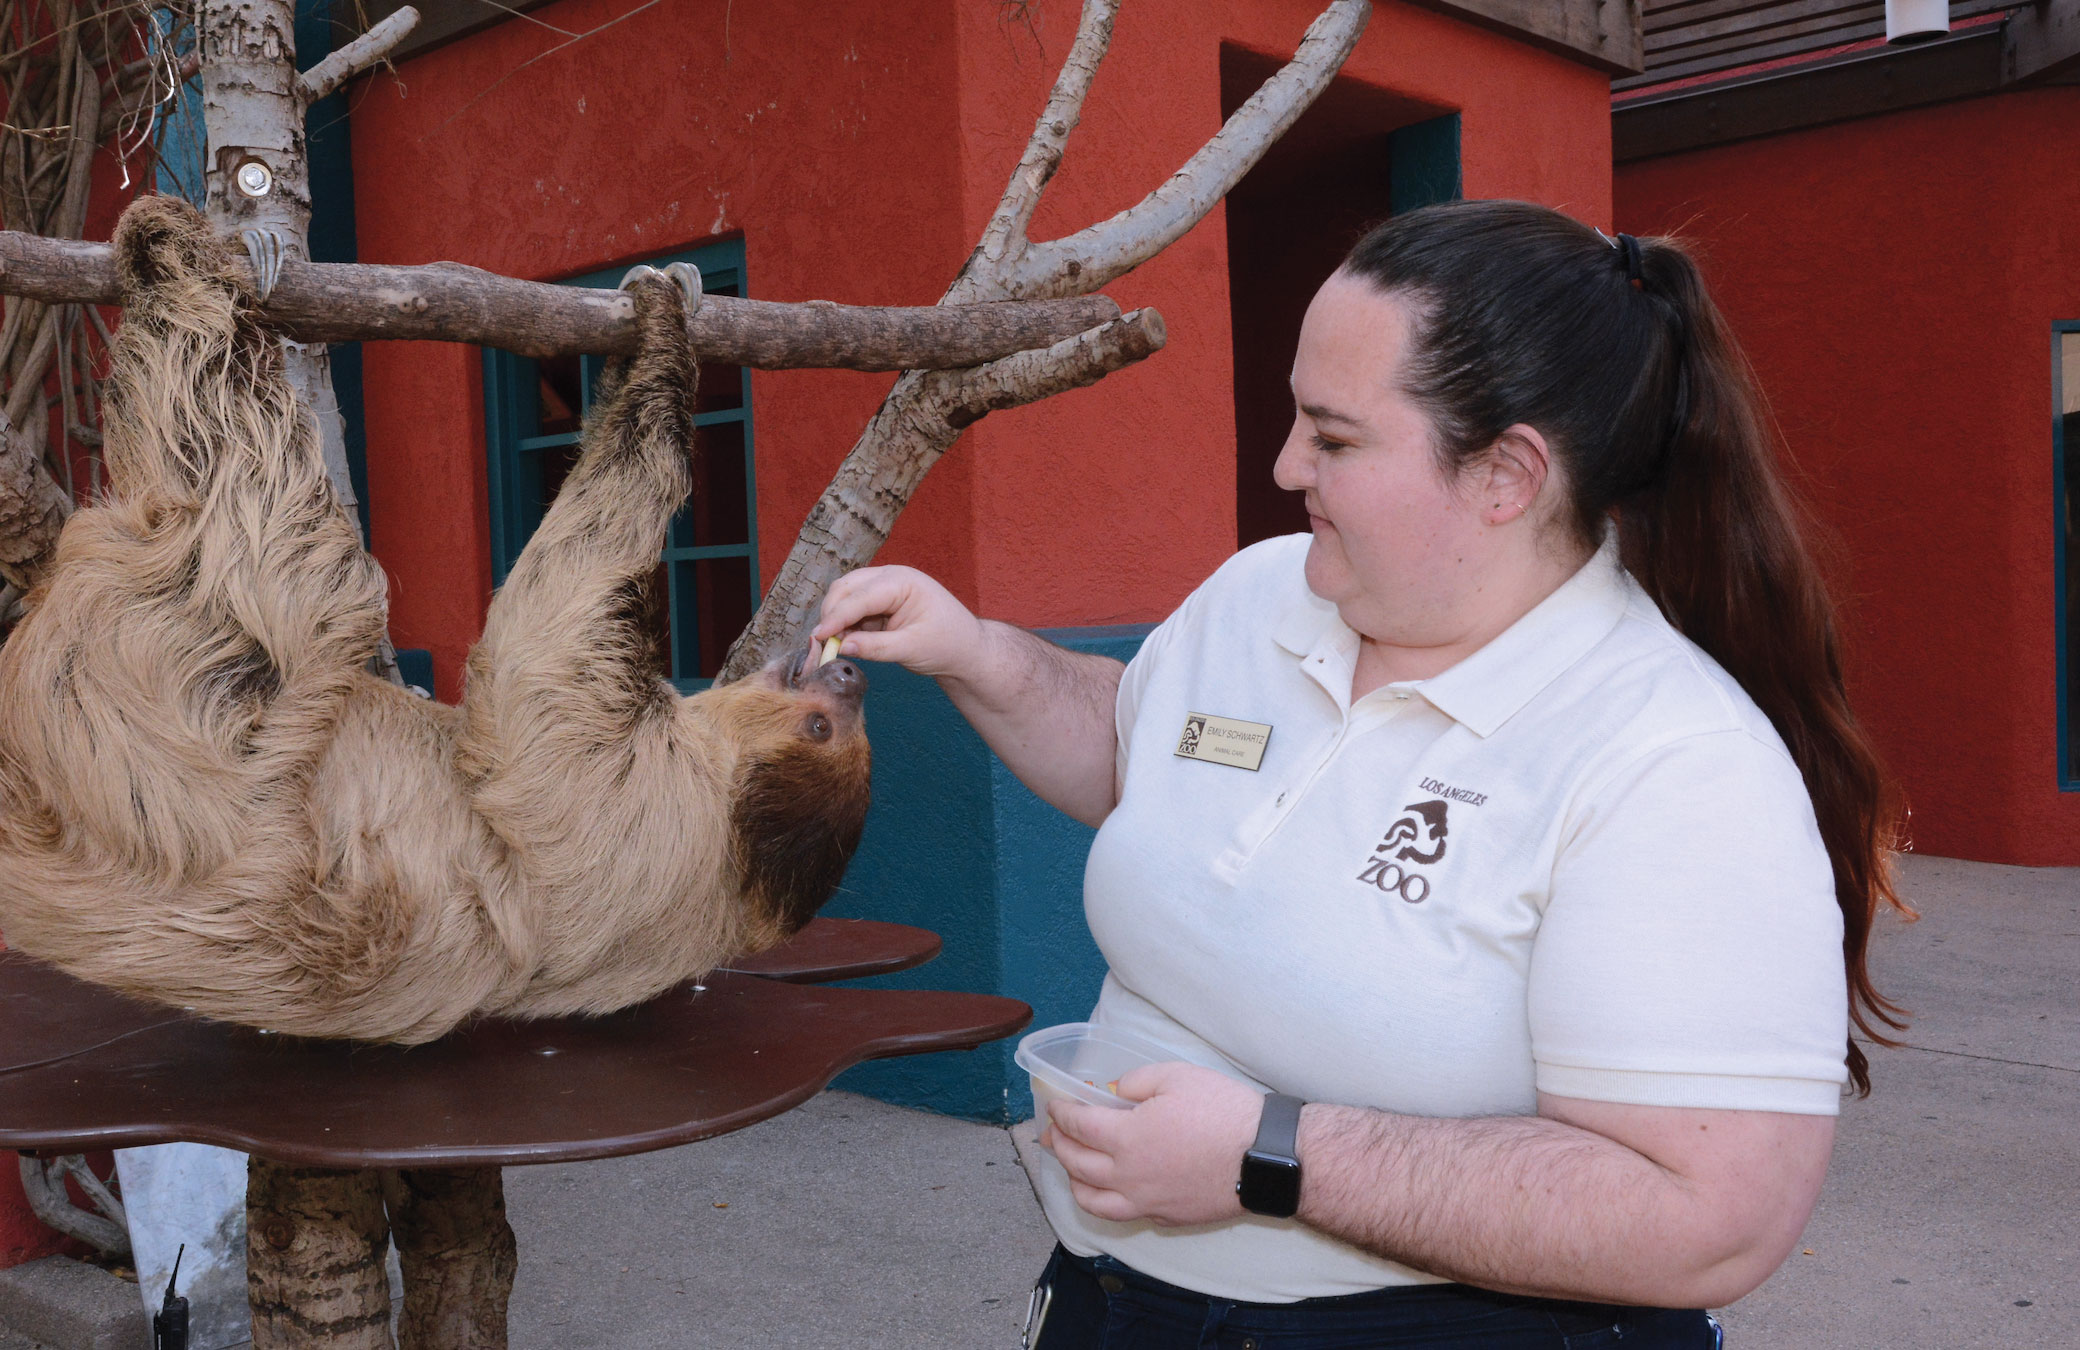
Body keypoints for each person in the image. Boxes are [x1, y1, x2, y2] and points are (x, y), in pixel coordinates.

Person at [808, 199, 1907, 1349]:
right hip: (1117, 1300)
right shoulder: (1265, 593)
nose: (1287, 466)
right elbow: (1147, 754)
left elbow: (1710, 1219)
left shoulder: (1676, 764)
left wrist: (1267, 1156)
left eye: (1333, 438)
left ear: (1505, 476)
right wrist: (975, 652)